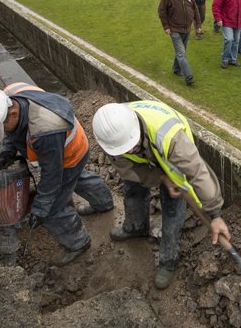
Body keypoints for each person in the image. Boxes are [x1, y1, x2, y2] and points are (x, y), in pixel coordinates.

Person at [0, 83, 114, 266]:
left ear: (13, 114)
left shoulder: (45, 131)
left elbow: (52, 176)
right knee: (79, 178)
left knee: (52, 209)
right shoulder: (9, 95)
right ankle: (104, 203)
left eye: (0, 129)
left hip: (70, 155)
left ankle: (78, 243)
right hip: (70, 144)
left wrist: (41, 208)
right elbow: (11, 132)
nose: (1, 134)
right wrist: (7, 152)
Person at [91, 100, 230, 289]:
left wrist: (215, 215)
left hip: (169, 156)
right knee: (132, 190)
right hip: (143, 160)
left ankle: (168, 260)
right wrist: (159, 177)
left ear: (136, 128)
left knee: (173, 210)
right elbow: (126, 168)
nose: (130, 151)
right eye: (125, 149)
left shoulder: (171, 138)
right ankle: (135, 227)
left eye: (132, 145)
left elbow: (198, 173)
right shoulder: (112, 135)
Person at [157, 0, 201, 86]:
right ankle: (188, 76)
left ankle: (176, 69)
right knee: (181, 53)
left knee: (181, 52)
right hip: (174, 29)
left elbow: (195, 9)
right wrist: (166, 27)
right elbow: (161, 11)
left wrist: (198, 25)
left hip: (187, 29)